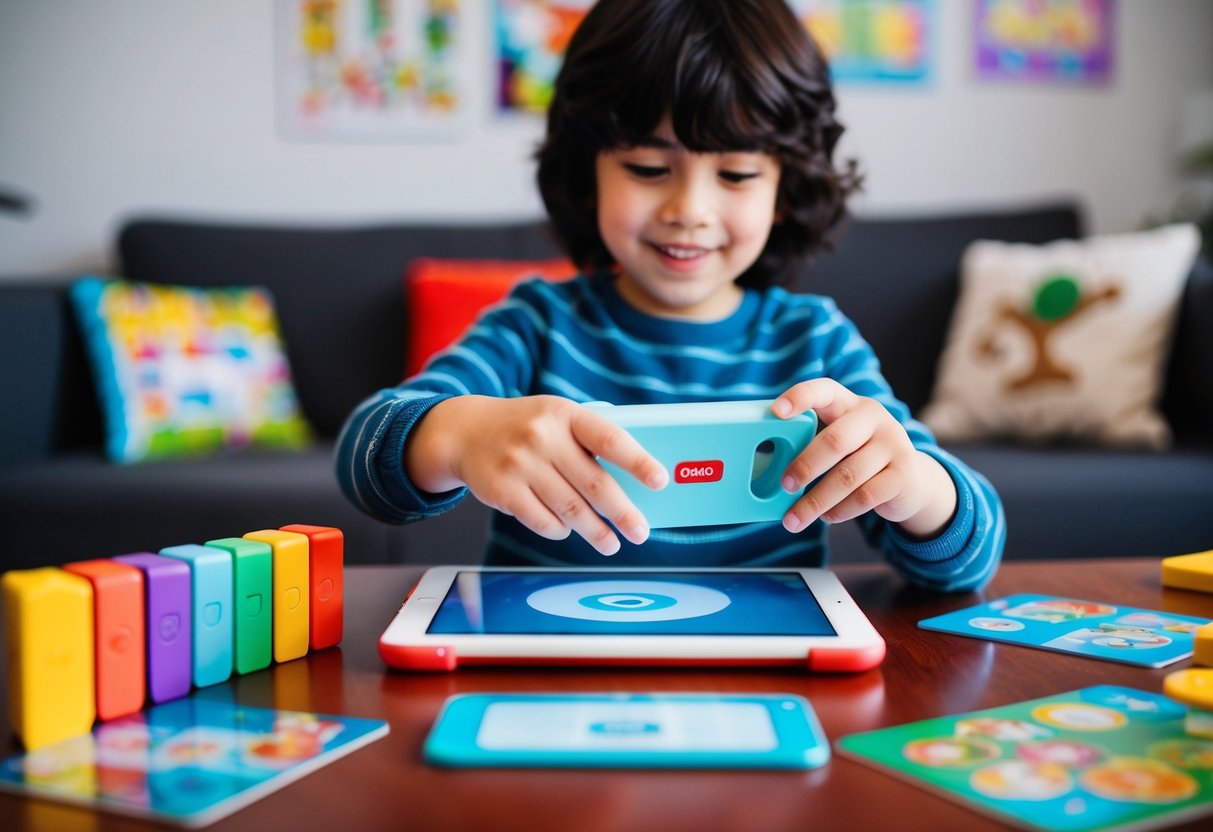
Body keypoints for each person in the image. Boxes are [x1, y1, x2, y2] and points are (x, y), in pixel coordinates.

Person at [336, 0, 1004, 592]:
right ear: (586, 169)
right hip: (549, 666)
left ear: (786, 186)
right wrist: (459, 434)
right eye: (648, 168)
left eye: (737, 172)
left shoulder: (815, 342)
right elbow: (364, 461)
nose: (689, 209)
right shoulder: (537, 324)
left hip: (769, 678)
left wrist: (915, 485)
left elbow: (964, 563)